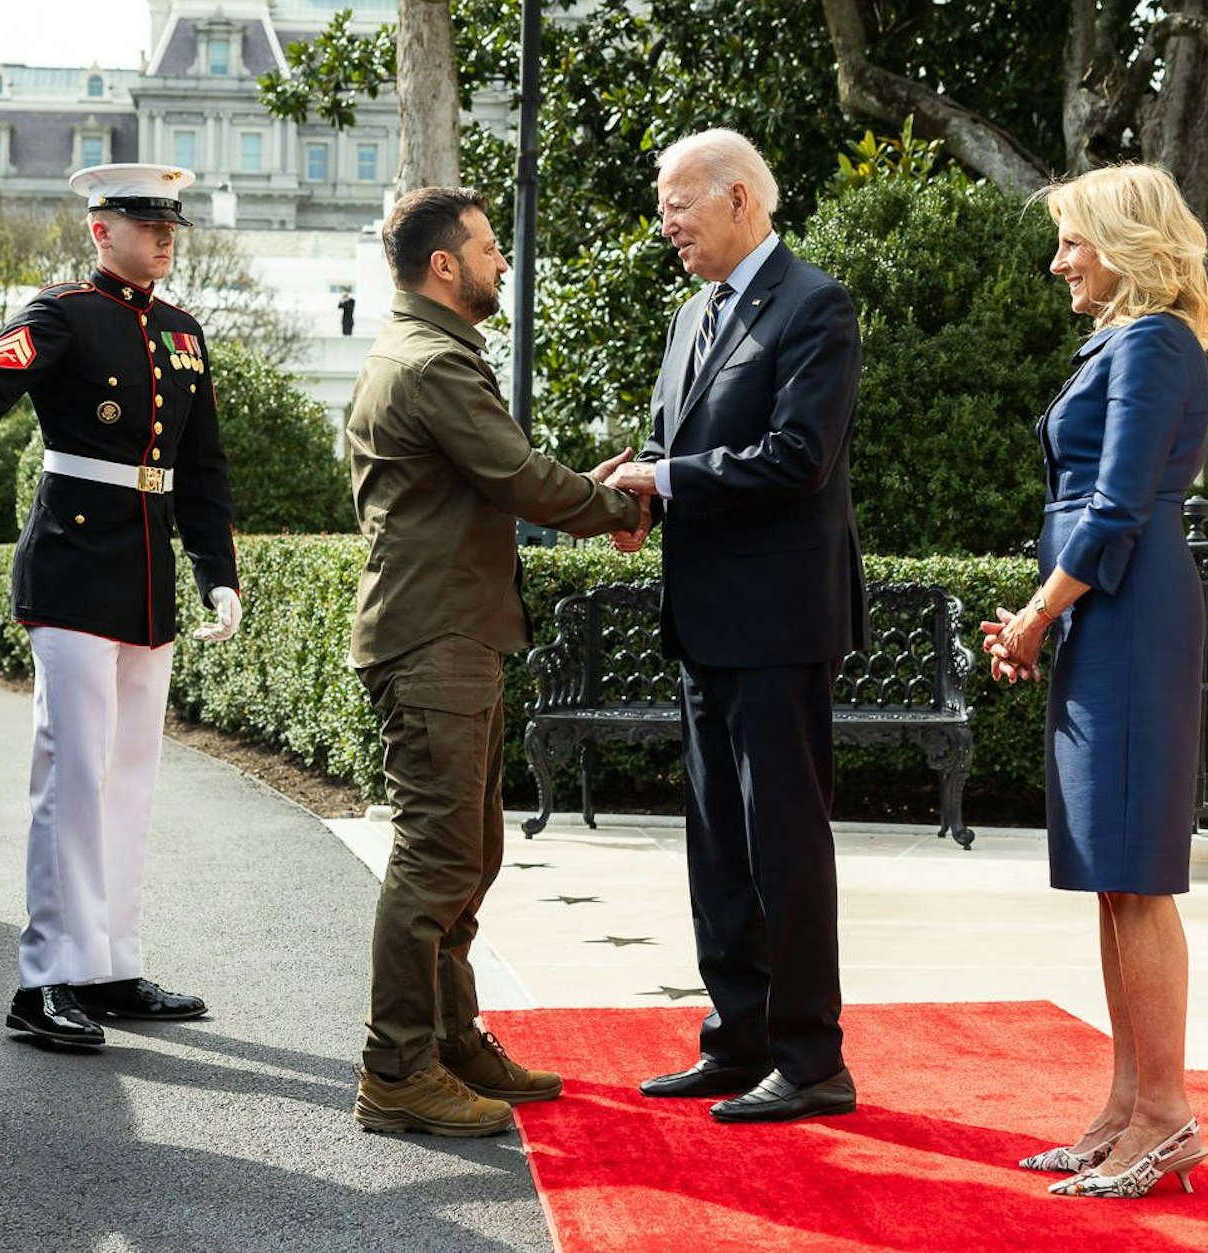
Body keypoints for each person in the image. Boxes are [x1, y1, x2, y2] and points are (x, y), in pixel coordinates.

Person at [347, 186, 644, 1137]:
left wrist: (579, 493)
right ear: (446, 266)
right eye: (488, 249)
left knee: (469, 852)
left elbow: (501, 474)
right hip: (436, 641)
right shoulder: (434, 363)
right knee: (436, 859)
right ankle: (396, 1068)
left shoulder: (424, 353)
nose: (503, 263)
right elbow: (517, 477)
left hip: (450, 633)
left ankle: (449, 1037)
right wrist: (622, 507)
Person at [0, 163, 242, 1049]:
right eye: (146, 223)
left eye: (170, 225)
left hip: (146, 576)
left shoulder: (184, 333)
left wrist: (214, 569)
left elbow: (205, 470)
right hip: (74, 567)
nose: (164, 238)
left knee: (129, 782)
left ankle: (108, 963)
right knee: (72, 777)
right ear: (99, 228)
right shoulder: (63, 311)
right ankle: (44, 980)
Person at [604, 129, 868, 1123]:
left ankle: (810, 1059)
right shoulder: (687, 316)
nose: (665, 221)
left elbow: (797, 454)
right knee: (717, 846)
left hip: (779, 620)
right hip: (703, 618)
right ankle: (736, 1038)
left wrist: (665, 479)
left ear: (743, 201)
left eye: (678, 202)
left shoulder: (815, 305)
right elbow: (679, 449)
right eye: (664, 203)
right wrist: (636, 496)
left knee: (782, 846)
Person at [982, 163, 1208, 1199]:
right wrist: (1045, 613)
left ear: (1123, 241)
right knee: (1112, 871)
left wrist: (1040, 610)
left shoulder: (1154, 340)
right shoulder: (1122, 342)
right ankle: (1124, 1102)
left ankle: (1165, 1115)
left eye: (1071, 239)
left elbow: (1116, 500)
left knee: (1138, 873)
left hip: (1127, 609)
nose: (1056, 258)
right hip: (1104, 611)